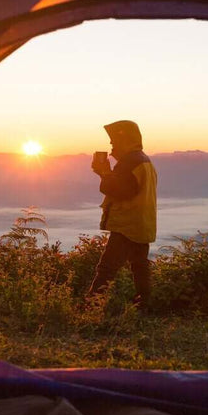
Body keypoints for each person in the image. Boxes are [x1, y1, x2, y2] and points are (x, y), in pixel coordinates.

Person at [89, 120, 157, 308]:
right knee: (139, 267)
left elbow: (121, 191)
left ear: (124, 139)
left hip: (127, 224)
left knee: (107, 269)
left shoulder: (130, 162)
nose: (111, 147)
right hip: (142, 223)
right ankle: (144, 306)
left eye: (113, 142)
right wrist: (106, 173)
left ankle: (91, 307)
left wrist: (104, 173)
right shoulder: (145, 160)